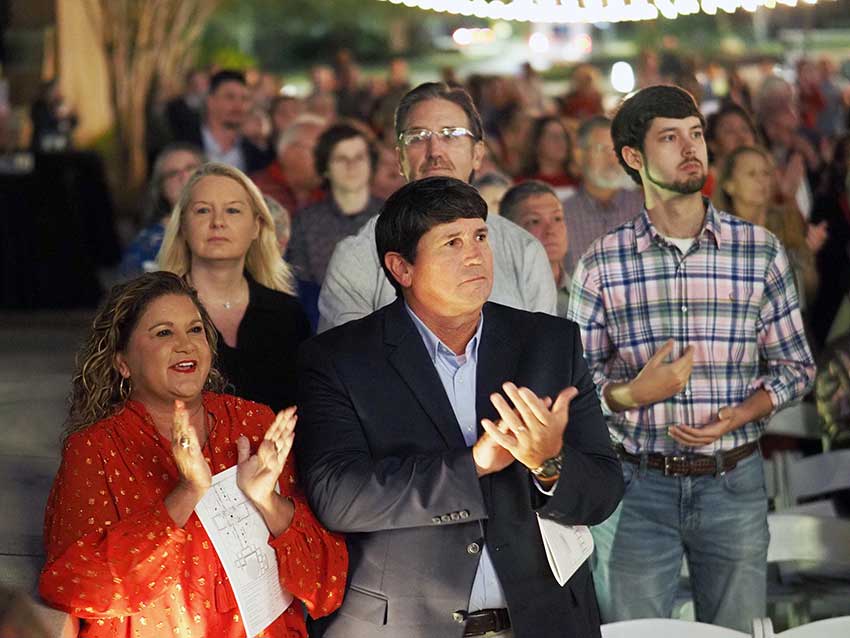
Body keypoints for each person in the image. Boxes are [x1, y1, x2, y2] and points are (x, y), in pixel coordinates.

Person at [296, 176, 623, 638]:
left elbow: (604, 492)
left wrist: (549, 465)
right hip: (405, 627)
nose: (475, 255)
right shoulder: (339, 359)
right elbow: (339, 496)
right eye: (451, 242)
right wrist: (473, 466)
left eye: (480, 237)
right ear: (401, 268)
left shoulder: (549, 343)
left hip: (543, 621)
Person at [567, 85, 816, 632]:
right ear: (634, 158)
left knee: (736, 631)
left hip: (734, 479)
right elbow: (575, 383)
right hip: (637, 485)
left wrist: (744, 412)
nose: (691, 148)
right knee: (636, 633)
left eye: (697, 134)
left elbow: (796, 367)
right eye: (670, 137)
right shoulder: (601, 263)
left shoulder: (759, 251)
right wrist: (633, 393)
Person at [39, 272, 347, 638]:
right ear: (123, 363)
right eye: (163, 332)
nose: (185, 344)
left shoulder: (253, 422)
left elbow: (326, 584)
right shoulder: (94, 449)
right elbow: (75, 589)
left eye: (196, 330)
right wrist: (186, 494)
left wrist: (269, 503)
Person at [318, 82, 557, 331]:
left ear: (477, 153)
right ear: (399, 158)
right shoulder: (357, 256)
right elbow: (346, 362)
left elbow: (546, 358)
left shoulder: (523, 251)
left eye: (450, 135)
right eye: (418, 137)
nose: (435, 151)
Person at [157, 162, 310, 412]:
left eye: (233, 211)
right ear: (183, 226)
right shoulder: (151, 313)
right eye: (203, 210)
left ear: (256, 227)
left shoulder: (287, 314)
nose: (218, 222)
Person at [714, 145, 818, 310]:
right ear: (729, 185)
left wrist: (805, 259)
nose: (761, 180)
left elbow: (810, 287)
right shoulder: (717, 234)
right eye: (751, 174)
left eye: (766, 173)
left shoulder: (786, 220)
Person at [288, 123, 383, 289]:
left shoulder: (392, 216)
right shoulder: (305, 223)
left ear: (371, 164)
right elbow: (300, 285)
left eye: (359, 157)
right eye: (341, 159)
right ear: (326, 168)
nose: (351, 166)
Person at [562, 116, 644, 273]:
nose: (612, 160)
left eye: (616, 151)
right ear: (579, 155)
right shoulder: (563, 216)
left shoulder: (645, 210)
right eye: (602, 149)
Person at [120, 144, 204, 278]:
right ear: (161, 189)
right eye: (173, 173)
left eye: (190, 168)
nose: (183, 176)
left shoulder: (227, 225)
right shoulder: (144, 245)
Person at [175, 69, 273, 174]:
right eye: (230, 97)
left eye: (245, 99)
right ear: (210, 101)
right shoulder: (181, 145)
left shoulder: (258, 156)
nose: (238, 105)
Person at [500, 181, 571, 317]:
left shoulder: (588, 292)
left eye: (557, 218)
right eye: (534, 221)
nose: (551, 230)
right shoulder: (498, 298)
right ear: (509, 231)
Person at [251, 115, 327, 218]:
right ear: (290, 153)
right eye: (320, 152)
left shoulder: (329, 196)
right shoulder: (253, 192)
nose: (327, 160)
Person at [517, 115, 580, 198]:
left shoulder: (578, 184)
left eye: (563, 136)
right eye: (553, 136)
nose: (561, 142)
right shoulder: (520, 186)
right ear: (537, 143)